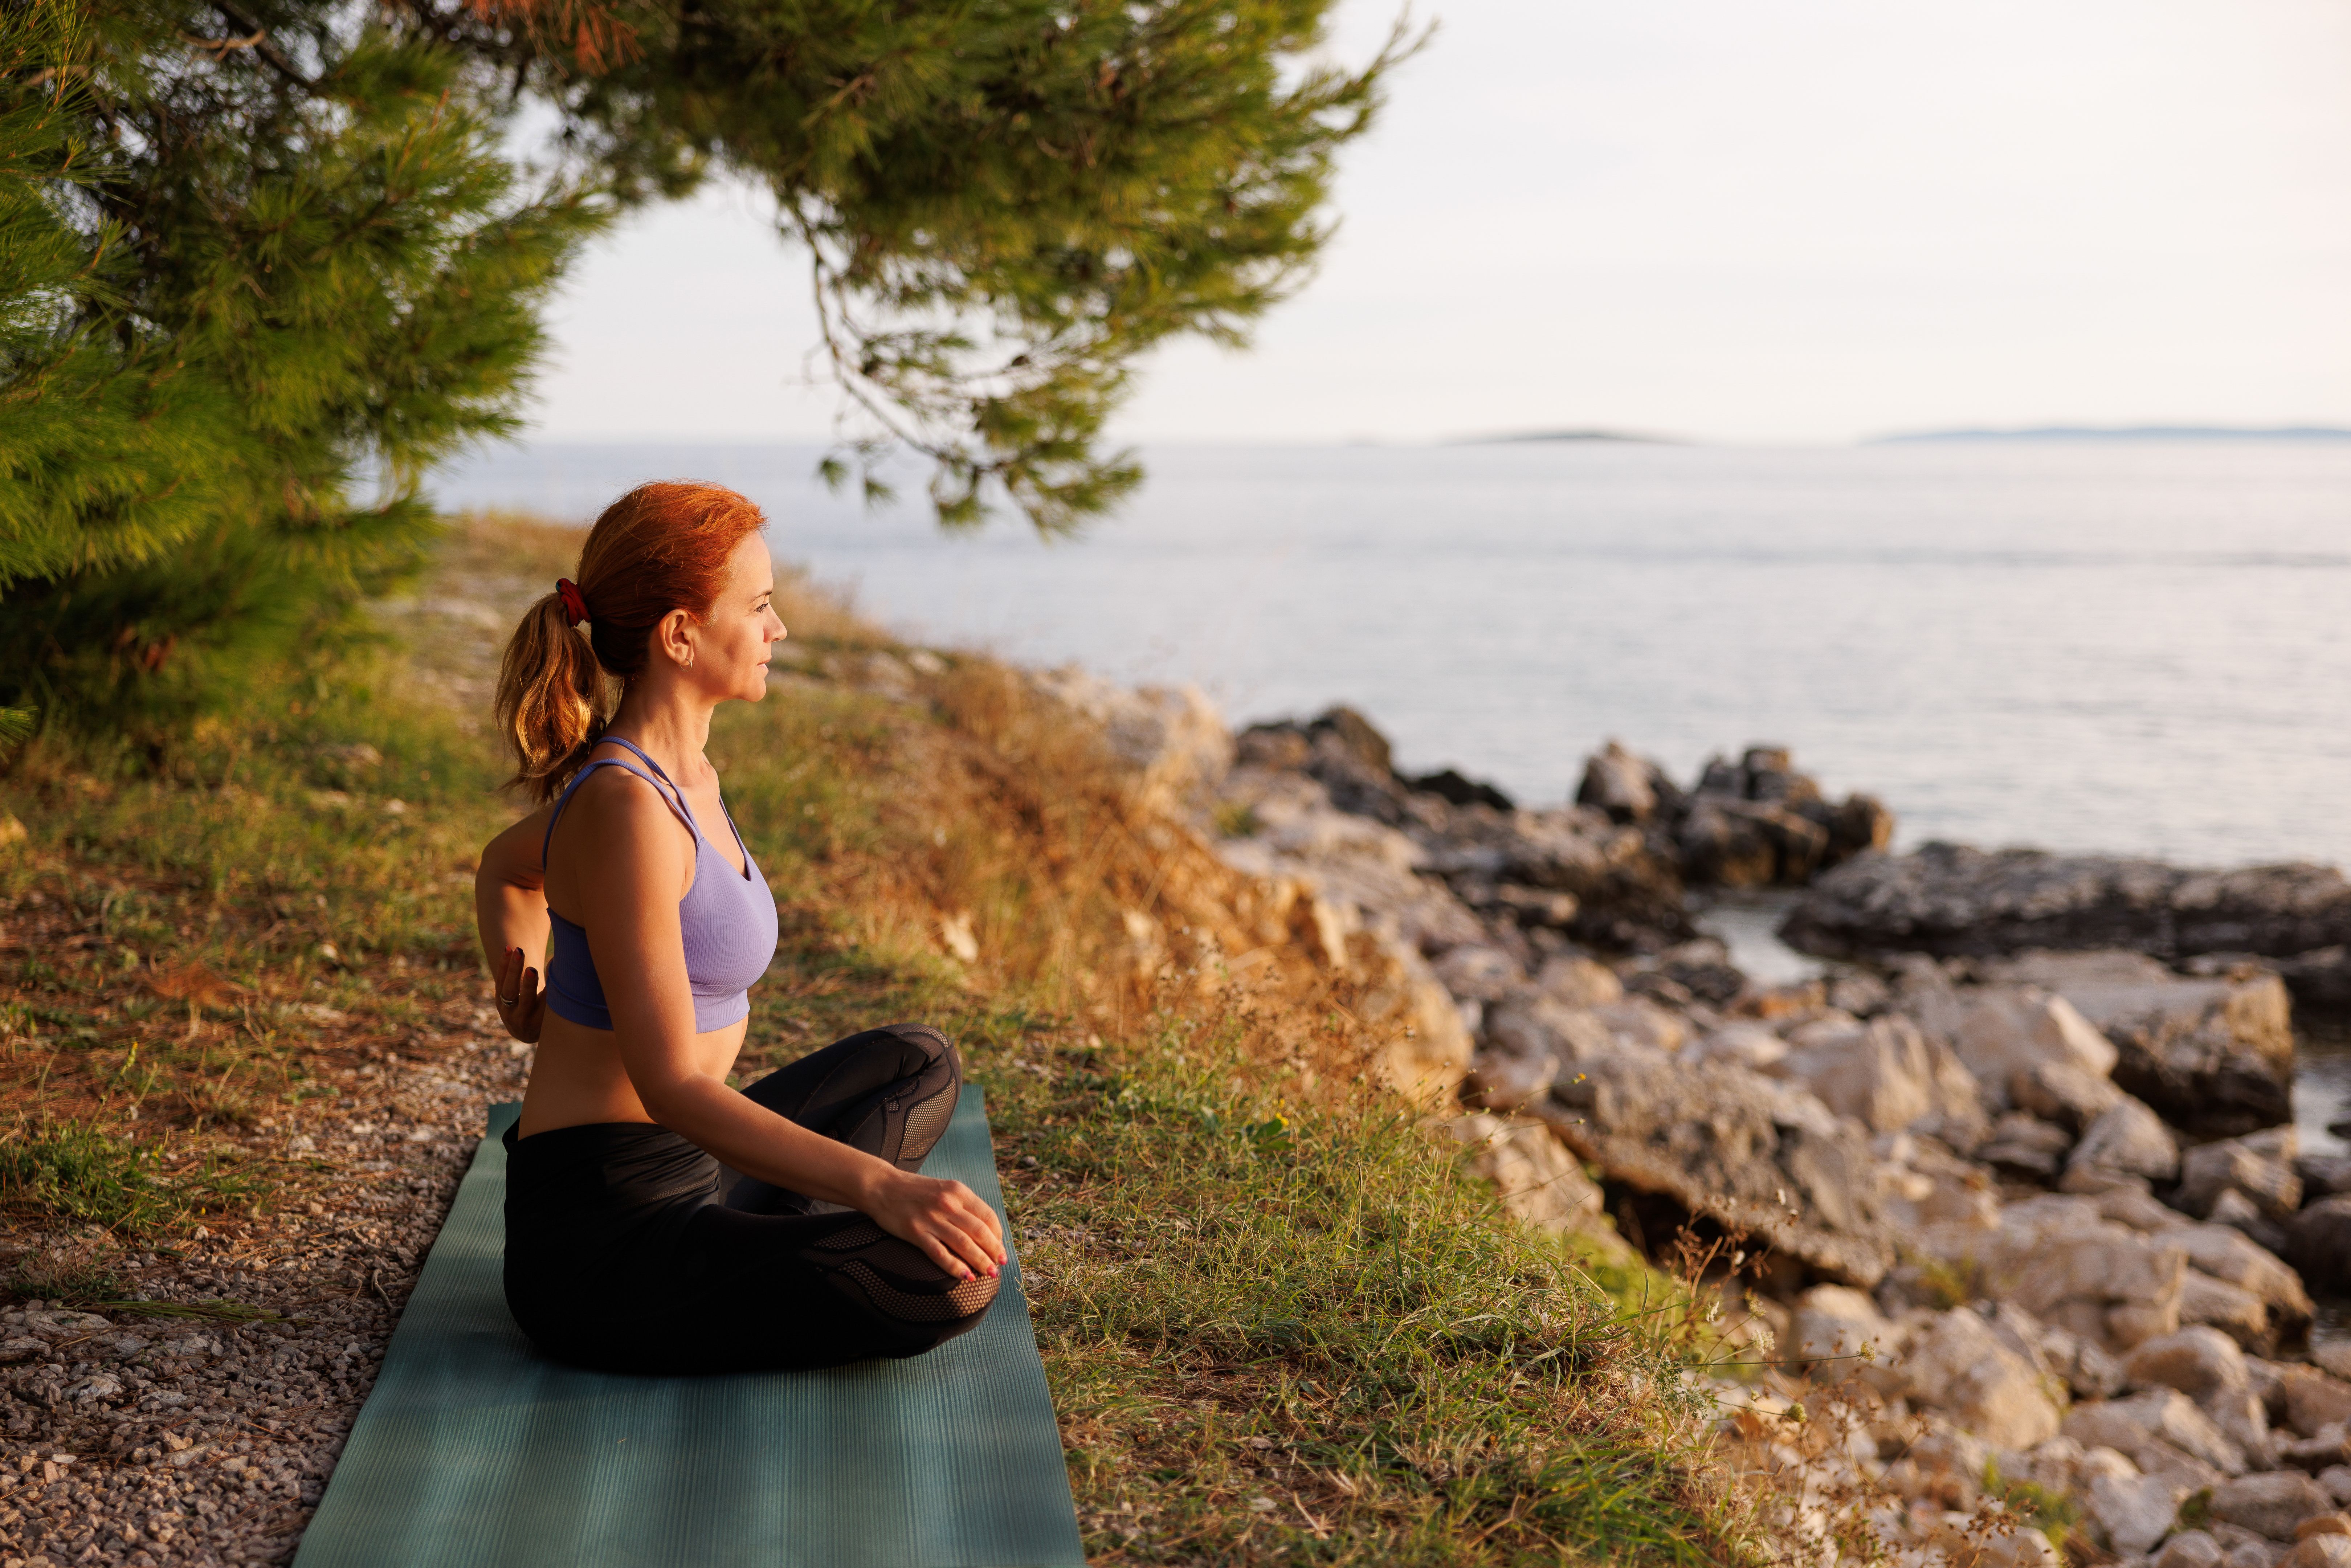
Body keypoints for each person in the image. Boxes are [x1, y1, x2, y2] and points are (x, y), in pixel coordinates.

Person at [471, 481, 1004, 1375]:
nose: (778, 628)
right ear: (679, 635)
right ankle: (778, 1239)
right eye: (757, 607)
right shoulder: (625, 808)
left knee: (918, 1062)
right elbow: (674, 1085)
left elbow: (508, 864)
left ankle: (770, 1233)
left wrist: (517, 984)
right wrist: (881, 1187)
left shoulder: (683, 778)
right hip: (607, 1236)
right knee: (943, 1283)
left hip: (692, 1162)